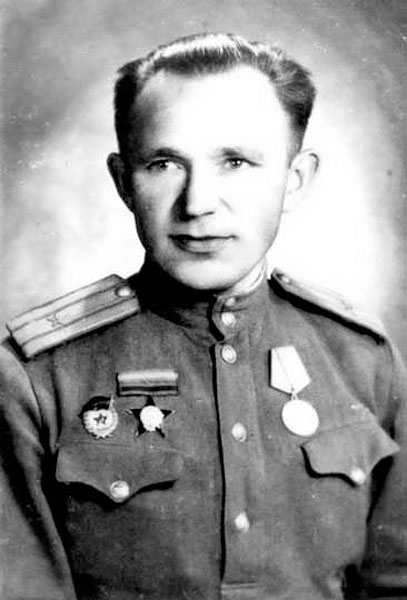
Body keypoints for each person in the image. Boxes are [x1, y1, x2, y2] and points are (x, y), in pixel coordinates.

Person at [0, 32, 406, 600]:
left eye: (236, 162)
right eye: (164, 163)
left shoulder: (361, 357)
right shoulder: (37, 378)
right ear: (123, 182)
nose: (197, 204)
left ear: (295, 180)